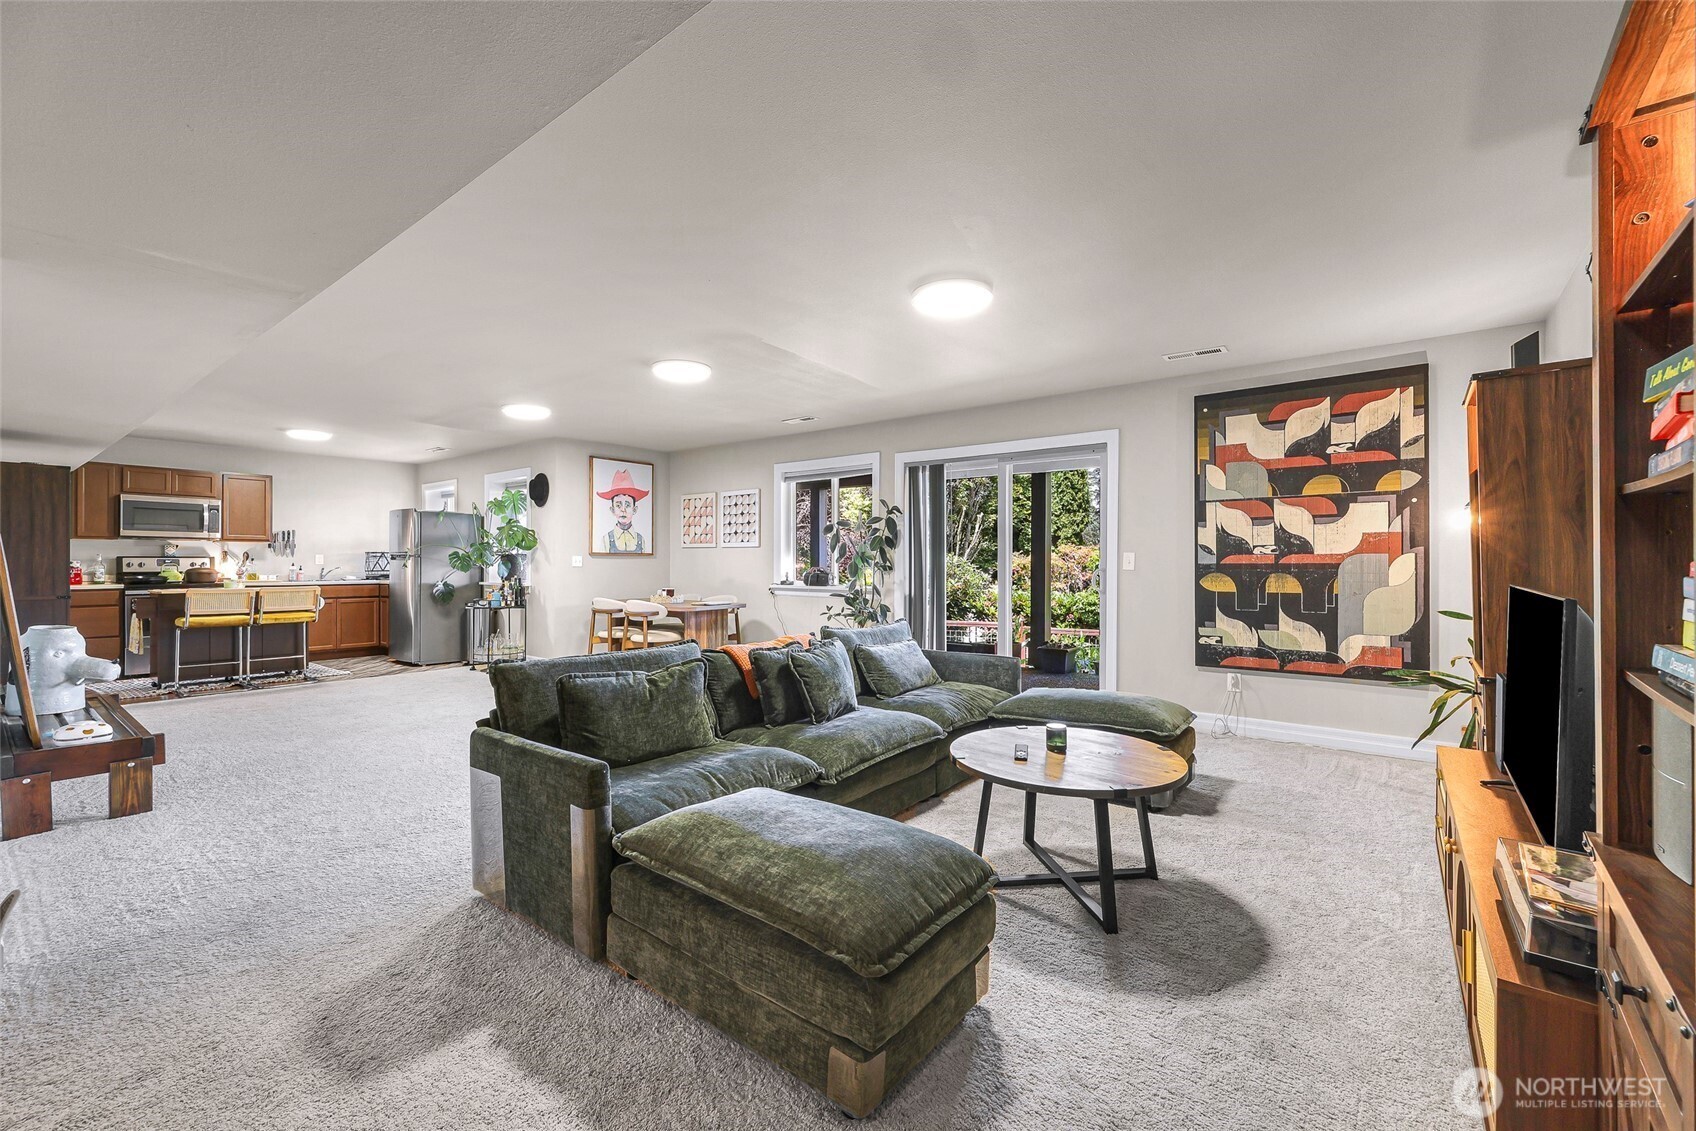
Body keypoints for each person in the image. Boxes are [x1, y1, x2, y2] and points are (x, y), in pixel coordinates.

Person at [598, 467, 649, 553]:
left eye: (628, 505)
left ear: (635, 509)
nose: (623, 510)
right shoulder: (606, 539)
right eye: (618, 505)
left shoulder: (641, 540)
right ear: (612, 510)